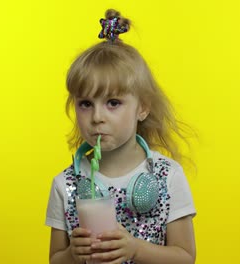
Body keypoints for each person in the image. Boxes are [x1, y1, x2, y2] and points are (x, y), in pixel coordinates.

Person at [46, 9, 196, 264]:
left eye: (113, 103)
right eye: (85, 104)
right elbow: (54, 260)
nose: (97, 117)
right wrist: (72, 255)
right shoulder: (66, 184)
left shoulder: (168, 176)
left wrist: (136, 249)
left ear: (143, 107)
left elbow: (185, 258)